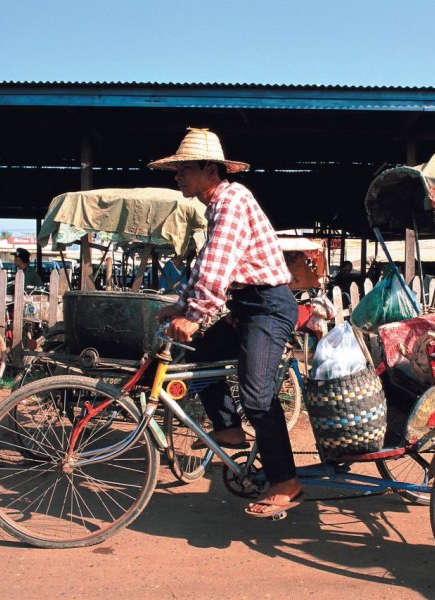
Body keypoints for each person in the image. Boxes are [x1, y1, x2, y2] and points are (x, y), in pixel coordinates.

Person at [151, 127, 301, 517]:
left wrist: (195, 313)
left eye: (184, 168)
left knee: (257, 395)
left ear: (209, 170)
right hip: (248, 306)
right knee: (197, 357)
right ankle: (229, 428)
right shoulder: (218, 203)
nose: (177, 176)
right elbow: (206, 264)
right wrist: (181, 304)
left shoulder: (231, 200)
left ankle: (286, 480)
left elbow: (219, 264)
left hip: (268, 306)